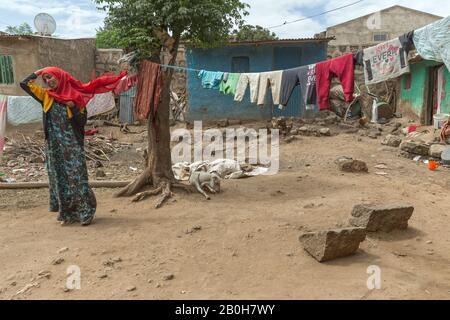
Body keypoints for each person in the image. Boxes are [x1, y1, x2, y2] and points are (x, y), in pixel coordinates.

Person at [20, 67, 127, 226]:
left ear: (60, 77)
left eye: (50, 77)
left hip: (72, 145)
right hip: (54, 146)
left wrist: (73, 107)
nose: (49, 81)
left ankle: (86, 212)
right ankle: (68, 214)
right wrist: (39, 71)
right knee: (60, 178)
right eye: (46, 79)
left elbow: (82, 122)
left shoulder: (75, 97)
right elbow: (24, 84)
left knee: (77, 178)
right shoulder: (46, 96)